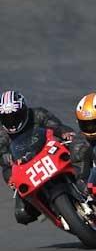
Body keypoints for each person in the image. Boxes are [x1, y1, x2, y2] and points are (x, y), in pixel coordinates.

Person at [0, 91, 79, 225]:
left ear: (24, 111)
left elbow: (55, 125)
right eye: (7, 118)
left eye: (15, 116)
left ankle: (87, 180)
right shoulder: (1, 133)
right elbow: (2, 155)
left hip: (47, 153)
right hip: (25, 166)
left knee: (79, 150)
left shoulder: (37, 114)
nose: (12, 121)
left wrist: (64, 133)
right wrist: (6, 161)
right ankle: (44, 205)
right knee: (22, 214)